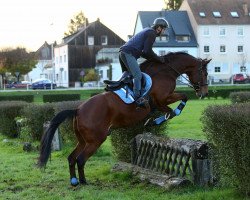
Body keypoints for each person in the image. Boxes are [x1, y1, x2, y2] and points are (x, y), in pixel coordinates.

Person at [119, 17, 169, 108]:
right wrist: (159, 59)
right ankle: (137, 99)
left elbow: (144, 52)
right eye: (164, 29)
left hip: (124, 53)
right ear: (159, 28)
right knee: (137, 75)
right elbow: (147, 51)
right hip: (128, 53)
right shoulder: (152, 33)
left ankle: (122, 96)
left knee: (128, 76)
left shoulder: (148, 30)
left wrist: (155, 58)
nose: (164, 31)